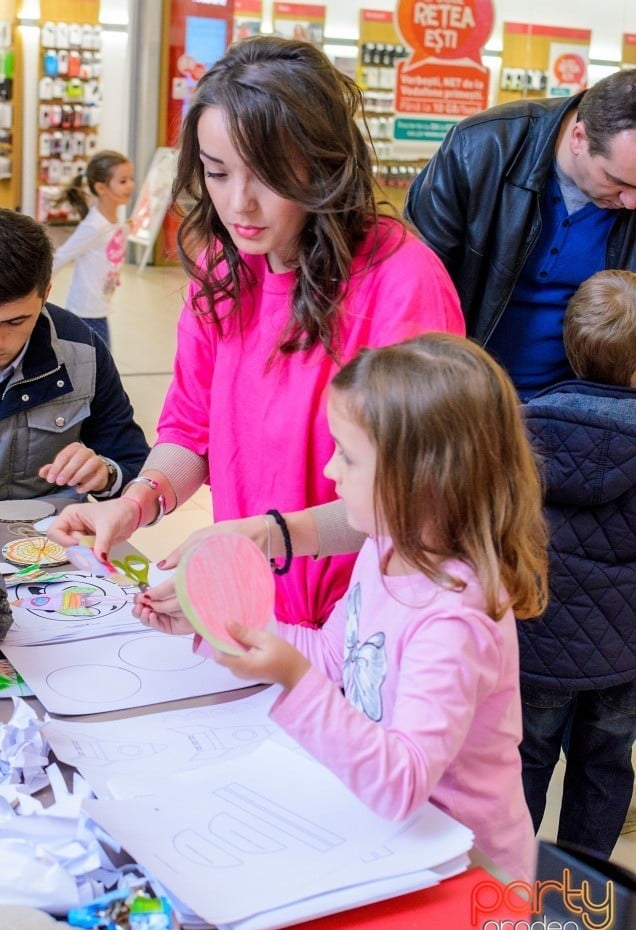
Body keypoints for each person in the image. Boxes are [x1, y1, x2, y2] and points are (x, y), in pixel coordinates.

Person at [48, 36, 464, 627]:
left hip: (365, 622)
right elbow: (190, 431)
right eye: (217, 173)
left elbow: (413, 494)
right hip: (252, 603)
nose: (238, 204)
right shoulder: (223, 273)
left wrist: (268, 537)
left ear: (324, 164)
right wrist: (136, 502)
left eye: (267, 176)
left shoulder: (401, 282)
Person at [135, 334, 548, 883]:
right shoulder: (384, 546)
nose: (330, 472)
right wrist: (219, 622)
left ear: (421, 479)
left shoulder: (453, 619)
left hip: (469, 873)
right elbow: (337, 657)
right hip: (397, 848)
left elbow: (402, 783)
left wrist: (291, 676)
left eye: (349, 457)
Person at [405, 69, 636, 399]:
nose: (631, 201)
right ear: (579, 138)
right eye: (618, 182)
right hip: (458, 400)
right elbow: (415, 289)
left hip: (577, 414)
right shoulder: (479, 149)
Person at [518, 269, 636, 858]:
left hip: (535, 646)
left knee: (526, 761)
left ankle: (505, 893)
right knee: (604, 768)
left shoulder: (522, 431)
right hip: (624, 660)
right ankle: (581, 899)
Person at [0, 209, 149, 501]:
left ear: (45, 295)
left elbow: (135, 465)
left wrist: (104, 474)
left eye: (15, 322)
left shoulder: (83, 351)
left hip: (50, 537)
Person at [52, 150, 135, 349]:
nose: (131, 185)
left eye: (131, 179)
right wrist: (32, 287)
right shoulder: (94, 225)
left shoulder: (111, 221)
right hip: (85, 312)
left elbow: (111, 234)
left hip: (99, 308)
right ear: (101, 188)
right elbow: (62, 256)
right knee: (96, 368)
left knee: (98, 366)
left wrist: (128, 227)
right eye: (123, 181)